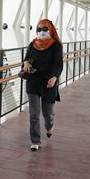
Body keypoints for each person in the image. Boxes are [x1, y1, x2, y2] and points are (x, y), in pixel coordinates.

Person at [22, 19, 63, 151]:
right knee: (34, 114)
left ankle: (49, 126)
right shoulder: (32, 44)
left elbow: (58, 63)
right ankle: (35, 141)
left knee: (48, 114)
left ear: (51, 30)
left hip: (49, 83)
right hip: (33, 82)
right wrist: (26, 63)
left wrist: (54, 77)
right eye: (39, 29)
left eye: (44, 29)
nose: (41, 32)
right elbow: (26, 59)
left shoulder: (56, 45)